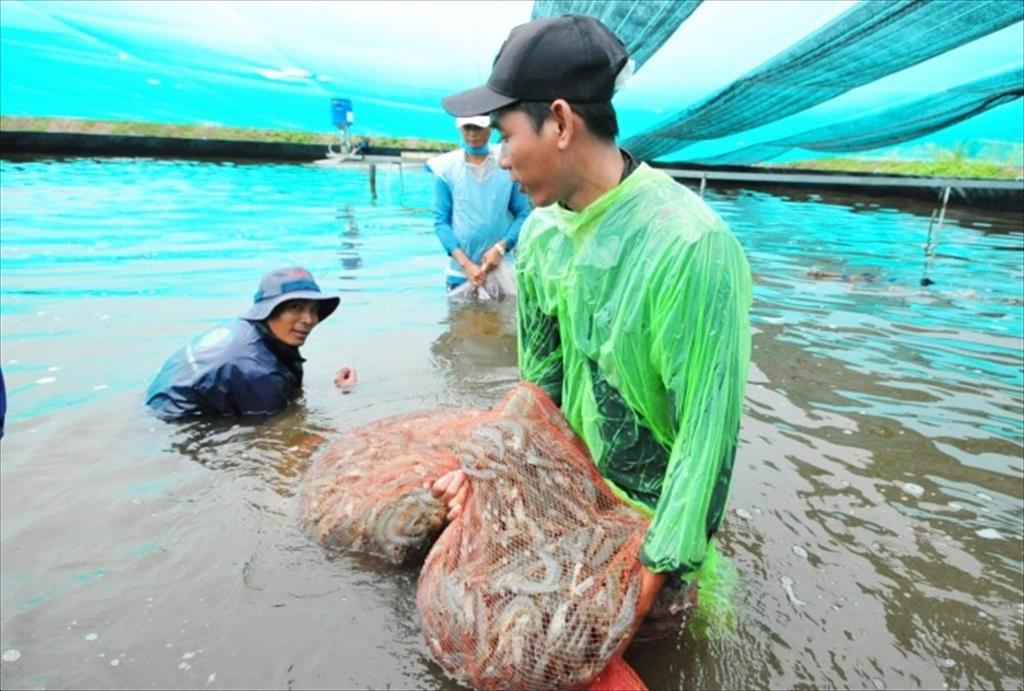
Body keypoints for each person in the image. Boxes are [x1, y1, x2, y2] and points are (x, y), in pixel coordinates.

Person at [427, 15, 752, 628]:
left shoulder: (690, 245)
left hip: (657, 530)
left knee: (686, 649)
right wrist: (489, 470)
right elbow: (540, 387)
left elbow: (707, 436)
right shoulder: (545, 234)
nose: (499, 158)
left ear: (560, 122)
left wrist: (655, 566)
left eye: (505, 134)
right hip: (574, 510)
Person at [146, 267, 357, 419]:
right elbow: (278, 430)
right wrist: (343, 396)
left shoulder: (245, 333)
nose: (309, 320)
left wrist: (334, 388)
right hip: (175, 425)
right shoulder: (256, 369)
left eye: (313, 310)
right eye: (295, 307)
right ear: (269, 310)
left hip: (155, 405)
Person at [426, 115, 531, 294]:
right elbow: (441, 222)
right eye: (467, 128)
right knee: (461, 321)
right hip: (461, 273)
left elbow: (524, 213)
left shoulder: (506, 163)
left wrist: (501, 248)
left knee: (503, 320)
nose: (473, 134)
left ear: (491, 128)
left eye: (479, 128)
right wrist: (465, 264)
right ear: (460, 129)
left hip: (502, 269)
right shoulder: (446, 168)